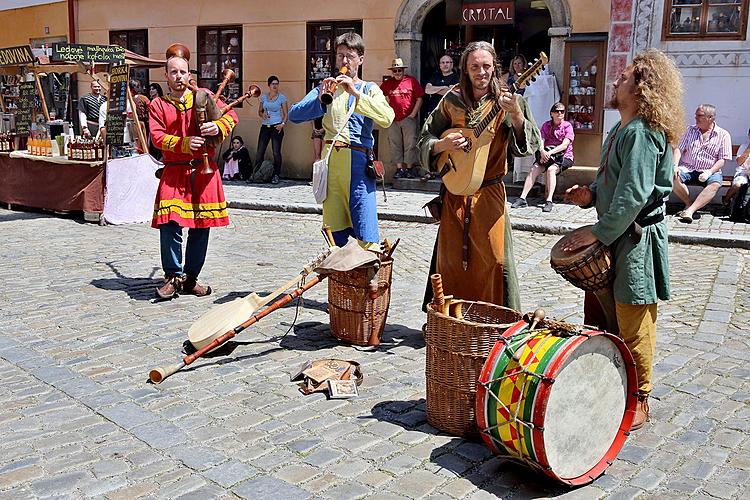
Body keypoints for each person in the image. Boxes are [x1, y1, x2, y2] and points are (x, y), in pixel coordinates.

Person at [564, 49, 685, 431]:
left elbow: (634, 195)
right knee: (602, 319)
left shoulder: (644, 133)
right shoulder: (621, 130)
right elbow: (613, 185)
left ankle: (639, 399)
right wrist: (591, 195)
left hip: (635, 240)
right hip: (617, 236)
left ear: (643, 88)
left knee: (633, 322)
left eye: (625, 77)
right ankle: (610, 387)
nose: (616, 80)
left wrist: (597, 233)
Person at [419, 41, 540, 309]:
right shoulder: (451, 101)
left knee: (495, 260)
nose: (481, 72)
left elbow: (529, 146)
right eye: (475, 66)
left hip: (489, 195)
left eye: (486, 66)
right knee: (450, 262)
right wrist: (443, 145)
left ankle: (494, 324)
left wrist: (517, 116)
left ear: (494, 68)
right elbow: (425, 138)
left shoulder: (511, 101)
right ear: (465, 69)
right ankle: (451, 322)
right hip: (455, 194)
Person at [289, 32, 394, 249]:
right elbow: (294, 114)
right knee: (334, 235)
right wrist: (319, 98)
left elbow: (387, 118)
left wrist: (355, 93)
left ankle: (369, 279)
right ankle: (339, 280)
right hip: (331, 165)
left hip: (358, 165)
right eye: (340, 56)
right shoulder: (325, 87)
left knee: (366, 231)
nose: (344, 61)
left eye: (350, 55)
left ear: (360, 59)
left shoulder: (369, 89)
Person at [149, 43, 238, 299]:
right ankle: (173, 276)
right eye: (173, 72)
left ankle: (190, 278)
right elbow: (156, 137)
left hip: (204, 172)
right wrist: (183, 144)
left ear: (190, 75)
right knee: (170, 223)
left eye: (183, 72)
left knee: (202, 225)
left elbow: (230, 116)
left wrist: (217, 126)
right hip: (175, 171)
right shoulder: (158, 105)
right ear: (166, 76)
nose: (179, 77)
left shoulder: (204, 95)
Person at [672, 104, 732, 223]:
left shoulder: (723, 134)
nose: (696, 118)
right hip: (688, 168)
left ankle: (690, 210)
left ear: (710, 118)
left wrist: (710, 172)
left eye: (699, 115)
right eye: (696, 115)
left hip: (710, 170)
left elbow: (722, 159)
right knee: (671, 176)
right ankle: (688, 203)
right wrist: (674, 166)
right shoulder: (689, 130)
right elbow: (679, 149)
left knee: (715, 184)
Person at [512, 102, 575, 212]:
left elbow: (565, 145)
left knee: (551, 170)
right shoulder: (546, 125)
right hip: (547, 155)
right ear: (551, 113)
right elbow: (541, 140)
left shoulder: (567, 126)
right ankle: (522, 198)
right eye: (557, 111)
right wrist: (542, 151)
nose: (560, 113)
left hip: (564, 157)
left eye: (562, 111)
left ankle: (549, 200)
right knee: (534, 169)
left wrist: (549, 153)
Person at [380, 57, 424, 179]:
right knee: (395, 143)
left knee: (411, 143)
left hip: (408, 118)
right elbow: (379, 97)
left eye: (399, 70)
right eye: (395, 71)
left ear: (403, 70)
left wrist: (413, 115)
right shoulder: (388, 84)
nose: (397, 73)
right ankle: (399, 169)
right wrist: (386, 112)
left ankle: (409, 168)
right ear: (392, 72)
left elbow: (419, 98)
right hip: (393, 119)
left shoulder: (411, 81)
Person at [255, 75, 288, 185]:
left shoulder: (282, 97)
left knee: (276, 152)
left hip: (276, 126)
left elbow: (286, 114)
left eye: (276, 84)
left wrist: (282, 124)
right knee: (260, 151)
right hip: (265, 126)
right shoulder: (264, 97)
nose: (275, 86)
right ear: (269, 85)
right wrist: (262, 114)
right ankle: (256, 174)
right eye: (273, 84)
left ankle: (276, 175)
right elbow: (259, 111)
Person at [721, 127, 750, 208]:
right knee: (738, 184)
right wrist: (748, 149)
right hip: (743, 172)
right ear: (748, 135)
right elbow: (739, 162)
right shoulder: (744, 147)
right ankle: (726, 200)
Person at [423, 54, 459, 119]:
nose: (445, 64)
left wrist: (434, 90)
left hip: (448, 113)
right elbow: (427, 90)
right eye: (443, 62)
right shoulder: (435, 76)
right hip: (433, 111)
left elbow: (449, 93)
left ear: (452, 64)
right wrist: (443, 87)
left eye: (447, 62)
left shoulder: (456, 77)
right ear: (440, 65)